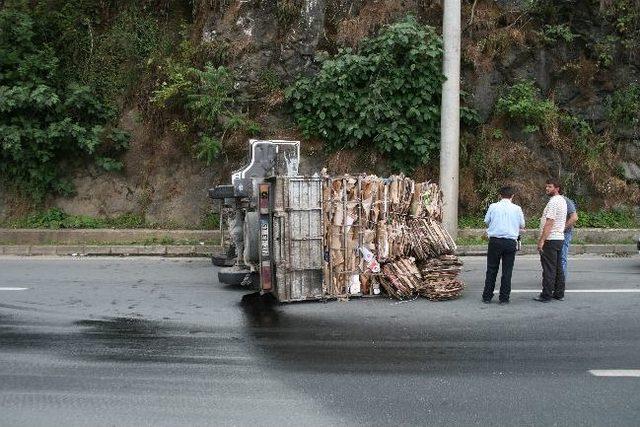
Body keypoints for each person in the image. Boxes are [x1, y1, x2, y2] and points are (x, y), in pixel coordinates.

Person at [482, 186, 525, 304]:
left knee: (491, 269)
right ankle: (504, 298)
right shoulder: (517, 209)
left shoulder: (493, 206)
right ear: (512, 196)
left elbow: (487, 221)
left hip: (495, 241)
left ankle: (487, 296)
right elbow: (522, 224)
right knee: (507, 271)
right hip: (510, 242)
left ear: (500, 196)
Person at [534, 179, 567, 303]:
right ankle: (559, 293)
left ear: (557, 188)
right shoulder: (563, 200)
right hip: (559, 238)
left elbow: (549, 222)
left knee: (549, 269)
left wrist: (542, 240)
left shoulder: (554, 202)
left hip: (551, 239)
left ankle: (546, 295)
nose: (547, 188)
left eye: (550, 186)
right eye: (546, 186)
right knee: (558, 268)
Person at [561, 194, 578, 278]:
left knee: (561, 258)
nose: (546, 188)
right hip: (555, 234)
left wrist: (562, 228)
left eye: (550, 186)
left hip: (564, 233)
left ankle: (561, 282)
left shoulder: (566, 201)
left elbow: (574, 217)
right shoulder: (553, 200)